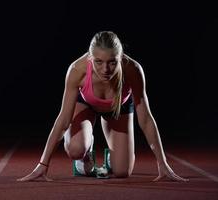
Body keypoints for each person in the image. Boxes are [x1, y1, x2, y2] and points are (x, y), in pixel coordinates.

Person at [18, 31, 189, 182]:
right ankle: (86, 153)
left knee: (122, 172)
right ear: (90, 58)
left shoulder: (133, 70)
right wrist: (42, 164)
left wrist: (162, 163)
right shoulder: (77, 70)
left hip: (117, 109)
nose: (105, 69)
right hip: (86, 104)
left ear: (121, 58)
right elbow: (63, 119)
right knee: (76, 149)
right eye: (98, 62)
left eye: (112, 62)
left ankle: (111, 159)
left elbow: (145, 120)